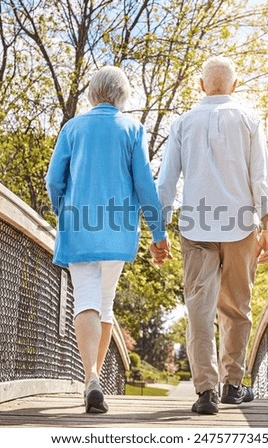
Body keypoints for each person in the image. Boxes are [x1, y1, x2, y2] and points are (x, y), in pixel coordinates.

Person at [156, 56, 268, 415]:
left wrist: (158, 230)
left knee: (198, 308)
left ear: (200, 85)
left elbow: (165, 182)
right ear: (235, 86)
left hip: (195, 227)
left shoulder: (182, 123)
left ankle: (205, 392)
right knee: (237, 307)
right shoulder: (249, 119)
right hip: (241, 225)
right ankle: (232, 386)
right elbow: (261, 178)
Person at [45, 66, 170, 414]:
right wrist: (158, 234)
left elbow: (54, 181)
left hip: (79, 226)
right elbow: (145, 185)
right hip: (117, 228)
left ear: (91, 93)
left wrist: (63, 210)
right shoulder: (132, 129)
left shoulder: (72, 128)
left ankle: (90, 379)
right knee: (105, 302)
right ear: (121, 95)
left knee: (85, 297)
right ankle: (96, 376)